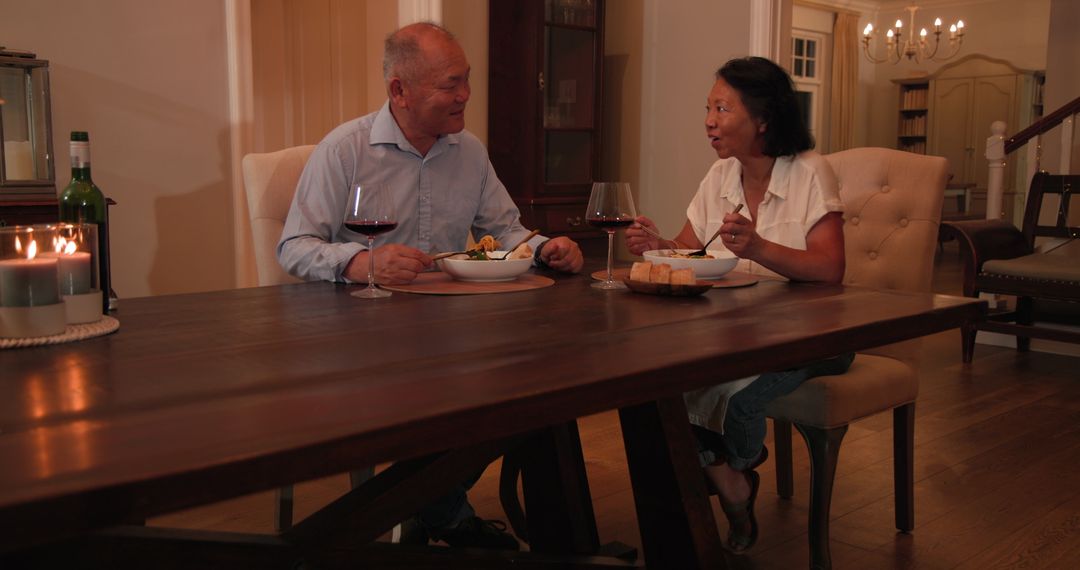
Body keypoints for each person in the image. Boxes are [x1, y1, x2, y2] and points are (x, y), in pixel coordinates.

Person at [277, 22, 584, 550]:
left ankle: (428, 511)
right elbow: (294, 247)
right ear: (400, 90)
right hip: (358, 337)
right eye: (450, 85)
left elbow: (504, 231)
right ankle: (440, 514)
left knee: (534, 388)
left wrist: (544, 248)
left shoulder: (469, 151)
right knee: (481, 396)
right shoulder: (345, 150)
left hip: (449, 330)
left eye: (465, 80)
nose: (465, 95)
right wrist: (361, 263)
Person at [624, 56, 853, 554]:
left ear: (764, 119)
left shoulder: (811, 172)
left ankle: (731, 478)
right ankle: (730, 482)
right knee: (663, 383)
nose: (709, 119)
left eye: (722, 108)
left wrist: (759, 248)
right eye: (708, 107)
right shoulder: (720, 174)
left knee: (732, 396)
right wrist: (655, 242)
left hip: (812, 336)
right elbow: (690, 249)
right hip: (738, 332)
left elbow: (831, 269)